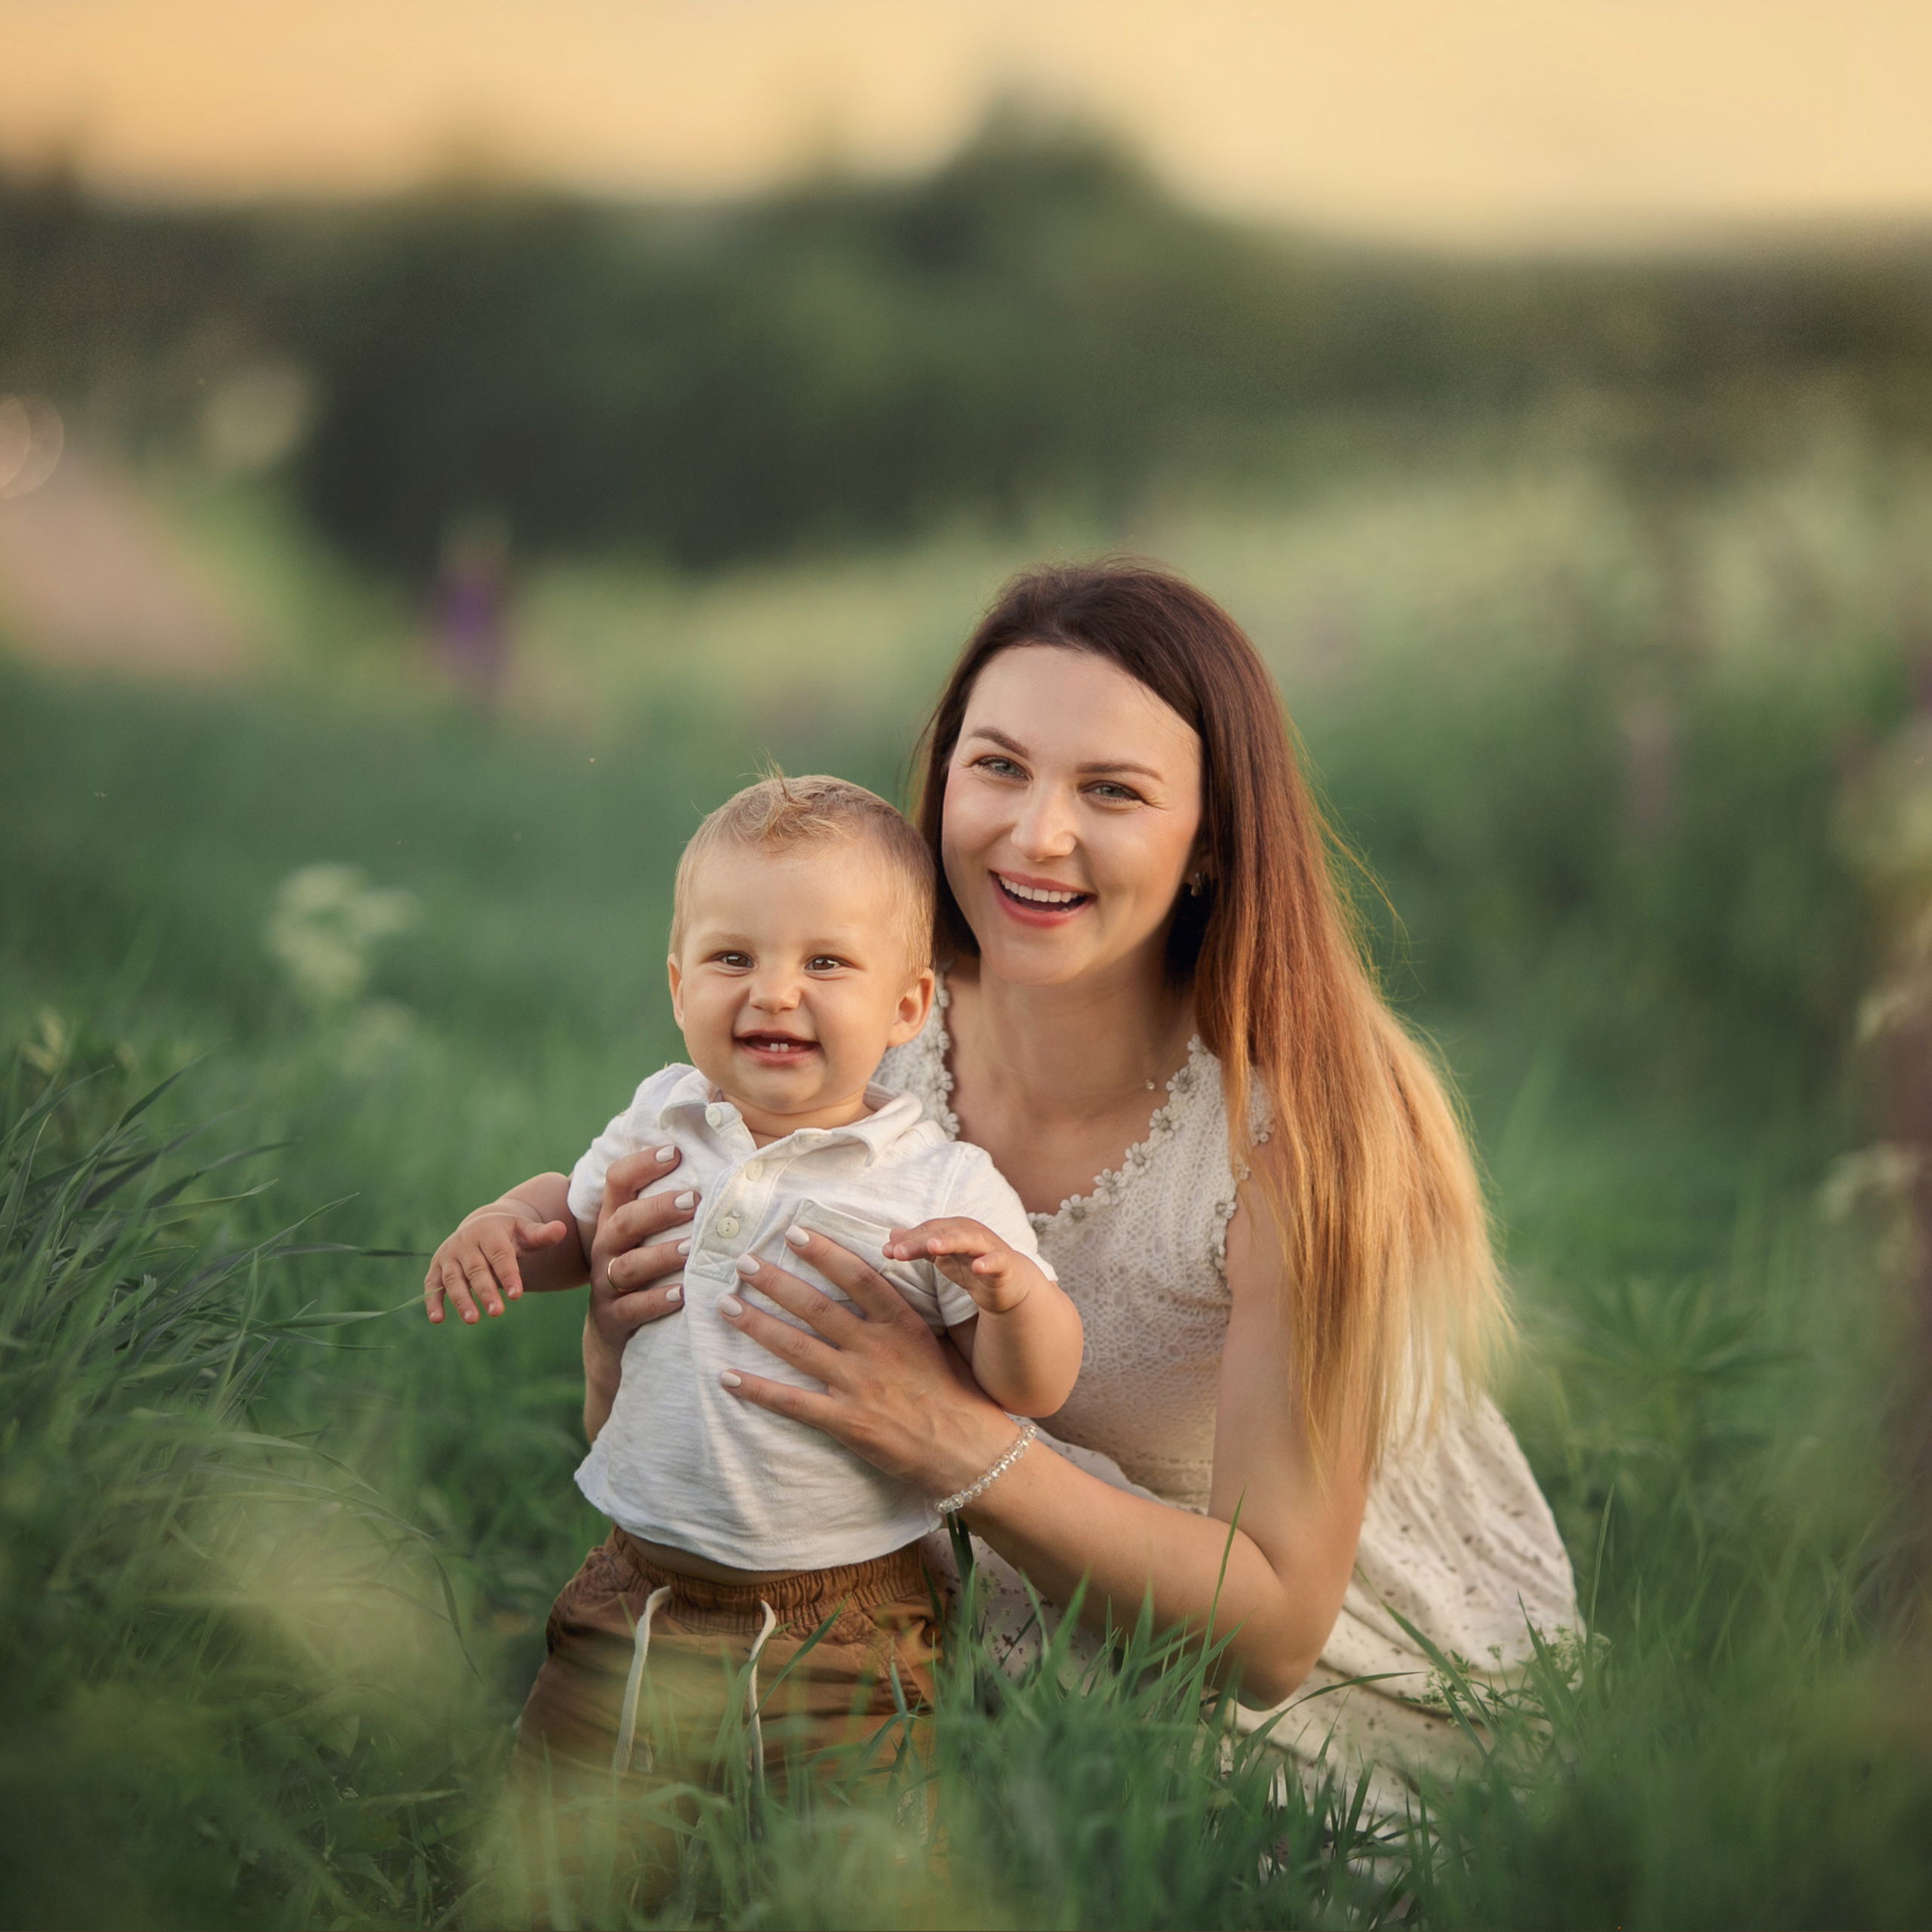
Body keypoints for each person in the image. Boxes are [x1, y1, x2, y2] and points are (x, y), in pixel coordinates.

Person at [577, 562, 1581, 1808]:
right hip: (913, 1591)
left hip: (1297, 1650)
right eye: (997, 766)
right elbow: (678, 1425)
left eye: (1111, 790)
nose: (1035, 833)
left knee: (1123, 1839)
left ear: (1209, 837)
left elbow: (1274, 1635)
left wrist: (955, 1438)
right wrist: (621, 1331)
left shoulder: (1302, 1128)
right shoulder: (858, 1017)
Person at [423, 774, 1082, 1783]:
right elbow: (578, 1220)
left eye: (826, 962)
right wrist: (508, 1225)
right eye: (735, 958)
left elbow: (1034, 1386)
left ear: (906, 1005)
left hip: (846, 1613)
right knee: (566, 1841)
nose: (775, 992)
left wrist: (1013, 1299)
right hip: (637, 1587)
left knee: (856, 1856)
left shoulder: (934, 1182)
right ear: (680, 985)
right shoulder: (665, 1118)